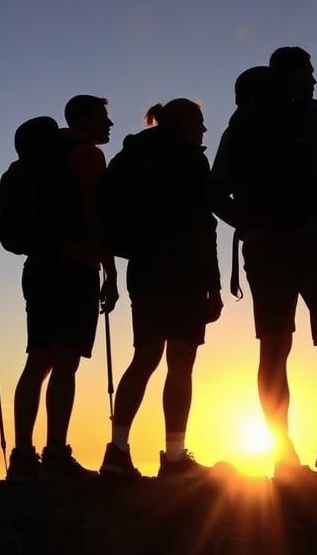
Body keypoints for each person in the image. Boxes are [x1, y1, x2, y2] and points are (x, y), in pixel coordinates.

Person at [210, 47, 317, 475]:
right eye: (310, 73)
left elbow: (213, 193)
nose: (315, 81)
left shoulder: (240, 128)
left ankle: (281, 452)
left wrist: (249, 223)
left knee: (274, 348)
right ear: (294, 76)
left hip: (264, 249)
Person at [99, 99, 222, 479]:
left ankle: (117, 450)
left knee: (144, 358)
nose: (204, 131)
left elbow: (104, 212)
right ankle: (173, 457)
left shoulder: (131, 156)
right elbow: (204, 225)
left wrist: (112, 271)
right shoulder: (189, 158)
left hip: (144, 268)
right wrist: (213, 286)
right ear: (184, 122)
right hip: (184, 271)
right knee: (180, 364)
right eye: (201, 122)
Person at [8, 95, 118, 482]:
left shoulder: (35, 161)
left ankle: (23, 455)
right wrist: (110, 269)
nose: (110, 124)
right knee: (66, 361)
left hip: (38, 266)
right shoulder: (86, 155)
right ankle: (56, 453)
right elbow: (94, 213)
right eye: (103, 117)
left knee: (38, 359)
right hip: (75, 267)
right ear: (84, 118)